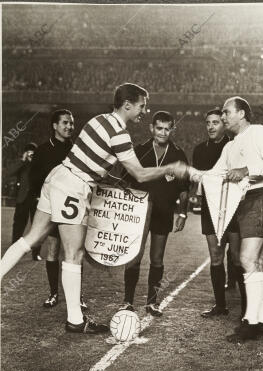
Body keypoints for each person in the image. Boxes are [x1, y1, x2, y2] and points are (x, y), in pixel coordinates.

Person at [1, 83, 188, 335]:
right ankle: (76, 321)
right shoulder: (120, 134)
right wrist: (169, 168)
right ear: (128, 105)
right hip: (74, 187)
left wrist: (113, 181)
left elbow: (91, 161)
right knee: (74, 254)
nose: (145, 110)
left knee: (30, 238)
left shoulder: (98, 120)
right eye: (142, 106)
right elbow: (141, 174)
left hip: (59, 177)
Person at [189, 96, 263, 342]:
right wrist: (188, 172)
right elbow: (215, 175)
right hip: (247, 201)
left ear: (242, 113)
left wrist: (246, 170)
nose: (223, 117)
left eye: (227, 112)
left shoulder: (259, 132)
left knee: (246, 259)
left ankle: (250, 323)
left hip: (261, 196)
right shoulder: (230, 147)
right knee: (258, 262)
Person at [120, 111, 189, 316]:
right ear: (152, 128)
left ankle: (152, 302)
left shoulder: (178, 154)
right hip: (138, 212)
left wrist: (183, 213)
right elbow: (125, 181)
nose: (163, 132)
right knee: (134, 256)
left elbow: (184, 188)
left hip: (163, 211)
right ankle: (127, 301)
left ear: (172, 130)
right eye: (159, 128)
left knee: (157, 258)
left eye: (167, 128)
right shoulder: (139, 150)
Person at [30, 109, 88, 309]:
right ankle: (54, 294)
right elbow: (34, 180)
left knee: (75, 253)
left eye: (71, 123)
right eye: (65, 123)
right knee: (53, 251)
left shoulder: (77, 150)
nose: (69, 127)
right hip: (53, 209)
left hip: (74, 210)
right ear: (54, 125)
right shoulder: (43, 150)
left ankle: (78, 296)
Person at [192, 108, 246, 318]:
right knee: (216, 257)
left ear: (224, 124)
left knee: (237, 258)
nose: (211, 126)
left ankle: (247, 310)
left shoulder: (233, 147)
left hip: (232, 208)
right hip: (210, 209)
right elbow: (199, 180)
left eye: (216, 122)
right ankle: (220, 306)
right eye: (208, 123)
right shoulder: (199, 150)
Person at [5, 143, 42, 261]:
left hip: (36, 199)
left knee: (37, 227)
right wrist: (22, 160)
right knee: (18, 227)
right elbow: (8, 172)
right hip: (23, 199)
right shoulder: (22, 164)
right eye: (28, 152)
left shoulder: (39, 165)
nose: (31, 154)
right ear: (25, 153)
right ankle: (14, 252)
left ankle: (36, 253)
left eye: (33, 152)